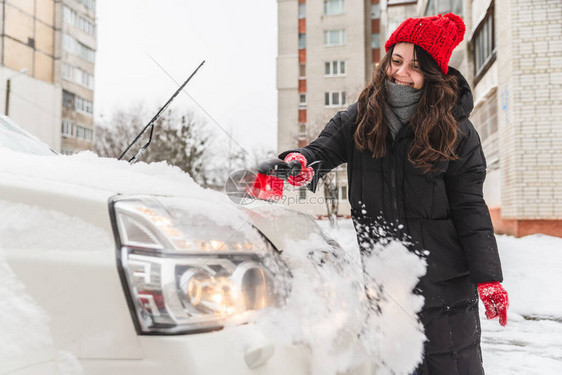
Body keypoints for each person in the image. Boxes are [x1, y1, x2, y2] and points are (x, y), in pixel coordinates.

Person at [259, 13, 509, 375]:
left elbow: (470, 206)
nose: (401, 73)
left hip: (446, 285)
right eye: (396, 60)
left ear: (435, 73)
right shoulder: (361, 118)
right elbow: (321, 151)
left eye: (416, 66)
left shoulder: (456, 130)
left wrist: (488, 277)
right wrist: (300, 162)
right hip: (385, 281)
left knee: (450, 366)